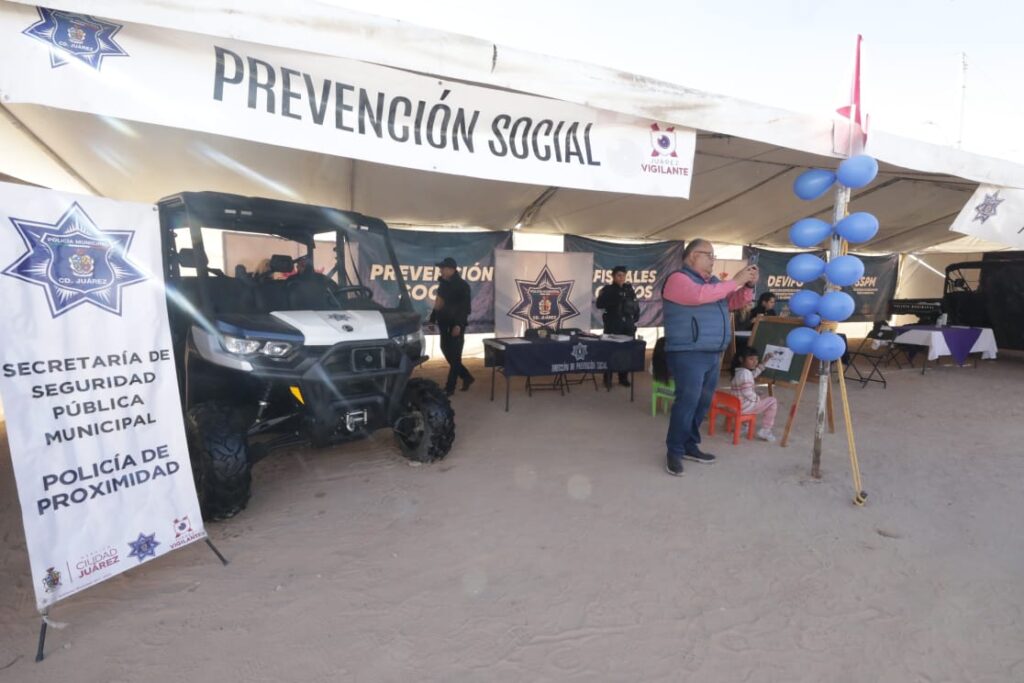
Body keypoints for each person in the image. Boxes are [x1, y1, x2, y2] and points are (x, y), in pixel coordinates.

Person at [662, 239, 758, 476]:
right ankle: (674, 451)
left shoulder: (714, 283)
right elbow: (698, 296)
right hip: (688, 352)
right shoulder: (678, 280)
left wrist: (746, 286)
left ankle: (690, 445)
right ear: (693, 255)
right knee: (687, 402)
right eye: (709, 255)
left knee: (702, 403)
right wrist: (734, 281)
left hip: (713, 352)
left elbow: (734, 302)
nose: (713, 260)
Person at [430, 257, 474, 396]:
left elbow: (465, 308)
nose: (441, 270)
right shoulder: (443, 285)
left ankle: (449, 388)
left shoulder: (462, 286)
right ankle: (466, 376)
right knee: (445, 350)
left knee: (455, 357)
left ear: (451, 269)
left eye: (443, 268)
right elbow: (438, 303)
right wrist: (432, 319)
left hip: (456, 325)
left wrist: (458, 325)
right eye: (440, 268)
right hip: (443, 324)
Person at [596, 265, 639, 388]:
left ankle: (623, 378)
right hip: (613, 325)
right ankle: (607, 378)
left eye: (623, 275)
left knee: (626, 352)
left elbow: (635, 305)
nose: (622, 278)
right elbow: (599, 304)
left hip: (627, 325)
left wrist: (635, 319)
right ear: (613, 276)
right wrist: (617, 298)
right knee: (611, 351)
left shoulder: (629, 289)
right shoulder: (608, 289)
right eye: (619, 275)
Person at [730, 346, 778, 442]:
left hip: (735, 405)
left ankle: (744, 425)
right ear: (741, 359)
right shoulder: (745, 374)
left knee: (757, 396)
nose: (755, 362)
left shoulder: (740, 371)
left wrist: (764, 362)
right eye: (751, 359)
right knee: (772, 401)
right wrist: (757, 399)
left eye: (756, 359)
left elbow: (753, 375)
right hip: (744, 407)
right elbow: (747, 393)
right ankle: (765, 430)